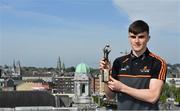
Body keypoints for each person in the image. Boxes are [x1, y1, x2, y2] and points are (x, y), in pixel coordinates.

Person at [100, 20, 167, 110]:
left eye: (141, 37)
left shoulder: (158, 63)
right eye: (133, 37)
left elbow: (153, 97)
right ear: (129, 38)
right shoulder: (118, 62)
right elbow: (110, 95)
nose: (136, 41)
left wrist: (122, 88)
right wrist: (106, 74)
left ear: (148, 38)